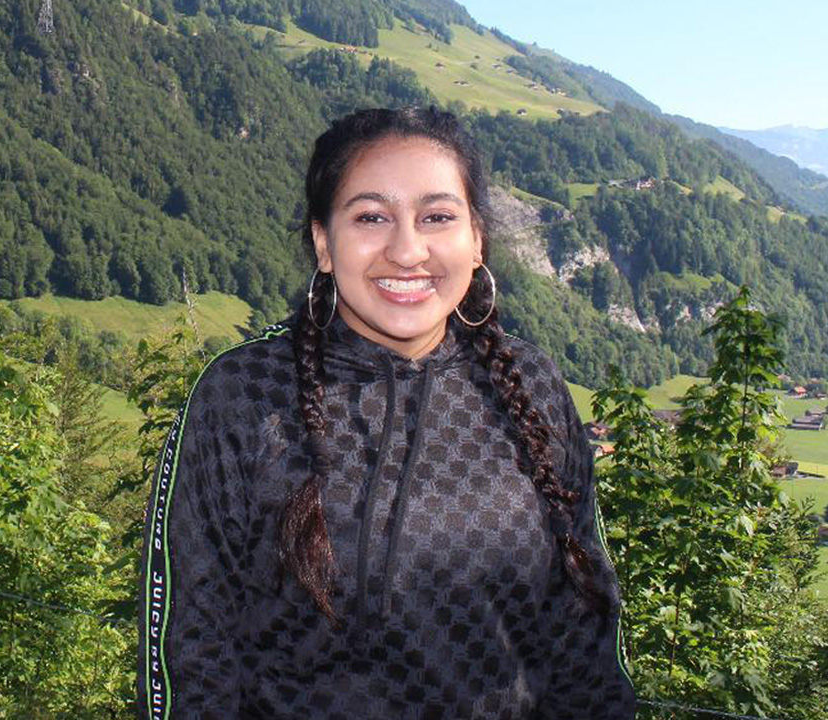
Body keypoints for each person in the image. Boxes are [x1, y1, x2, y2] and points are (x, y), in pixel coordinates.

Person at [138, 107, 636, 719]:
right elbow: (190, 651)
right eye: (372, 217)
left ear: (476, 238)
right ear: (324, 242)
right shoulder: (244, 394)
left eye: (438, 217)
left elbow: (585, 637)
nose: (407, 250)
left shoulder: (532, 386)